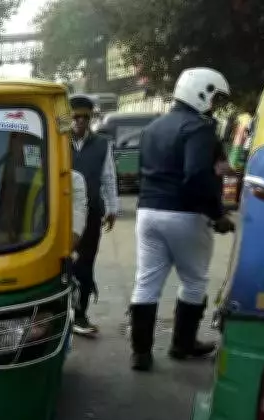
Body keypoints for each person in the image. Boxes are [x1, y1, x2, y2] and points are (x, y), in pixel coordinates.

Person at [128, 67, 236, 372]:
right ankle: (182, 344)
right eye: (214, 97)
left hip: (147, 212)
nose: (214, 105)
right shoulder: (198, 128)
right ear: (202, 92)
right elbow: (196, 176)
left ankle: (140, 353)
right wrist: (218, 214)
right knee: (194, 280)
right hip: (184, 215)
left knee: (147, 281)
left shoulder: (153, 127)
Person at [69, 94, 120, 337]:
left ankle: (80, 315)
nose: (79, 122)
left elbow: (108, 177)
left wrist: (112, 208)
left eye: (84, 118)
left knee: (86, 264)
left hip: (91, 214)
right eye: (75, 117)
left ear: (91, 119)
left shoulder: (102, 144)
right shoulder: (56, 141)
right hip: (59, 216)